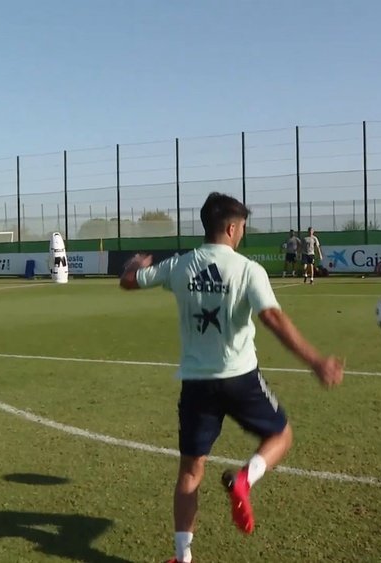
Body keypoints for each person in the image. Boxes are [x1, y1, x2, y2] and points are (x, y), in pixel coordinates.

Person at [119, 192, 344, 563]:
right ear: (230, 227)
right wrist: (316, 361)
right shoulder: (247, 269)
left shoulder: (179, 265)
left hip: (196, 383)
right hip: (240, 378)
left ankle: (183, 557)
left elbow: (128, 281)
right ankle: (246, 478)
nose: (242, 234)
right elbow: (272, 318)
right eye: (242, 227)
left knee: (191, 472)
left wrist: (134, 263)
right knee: (280, 434)